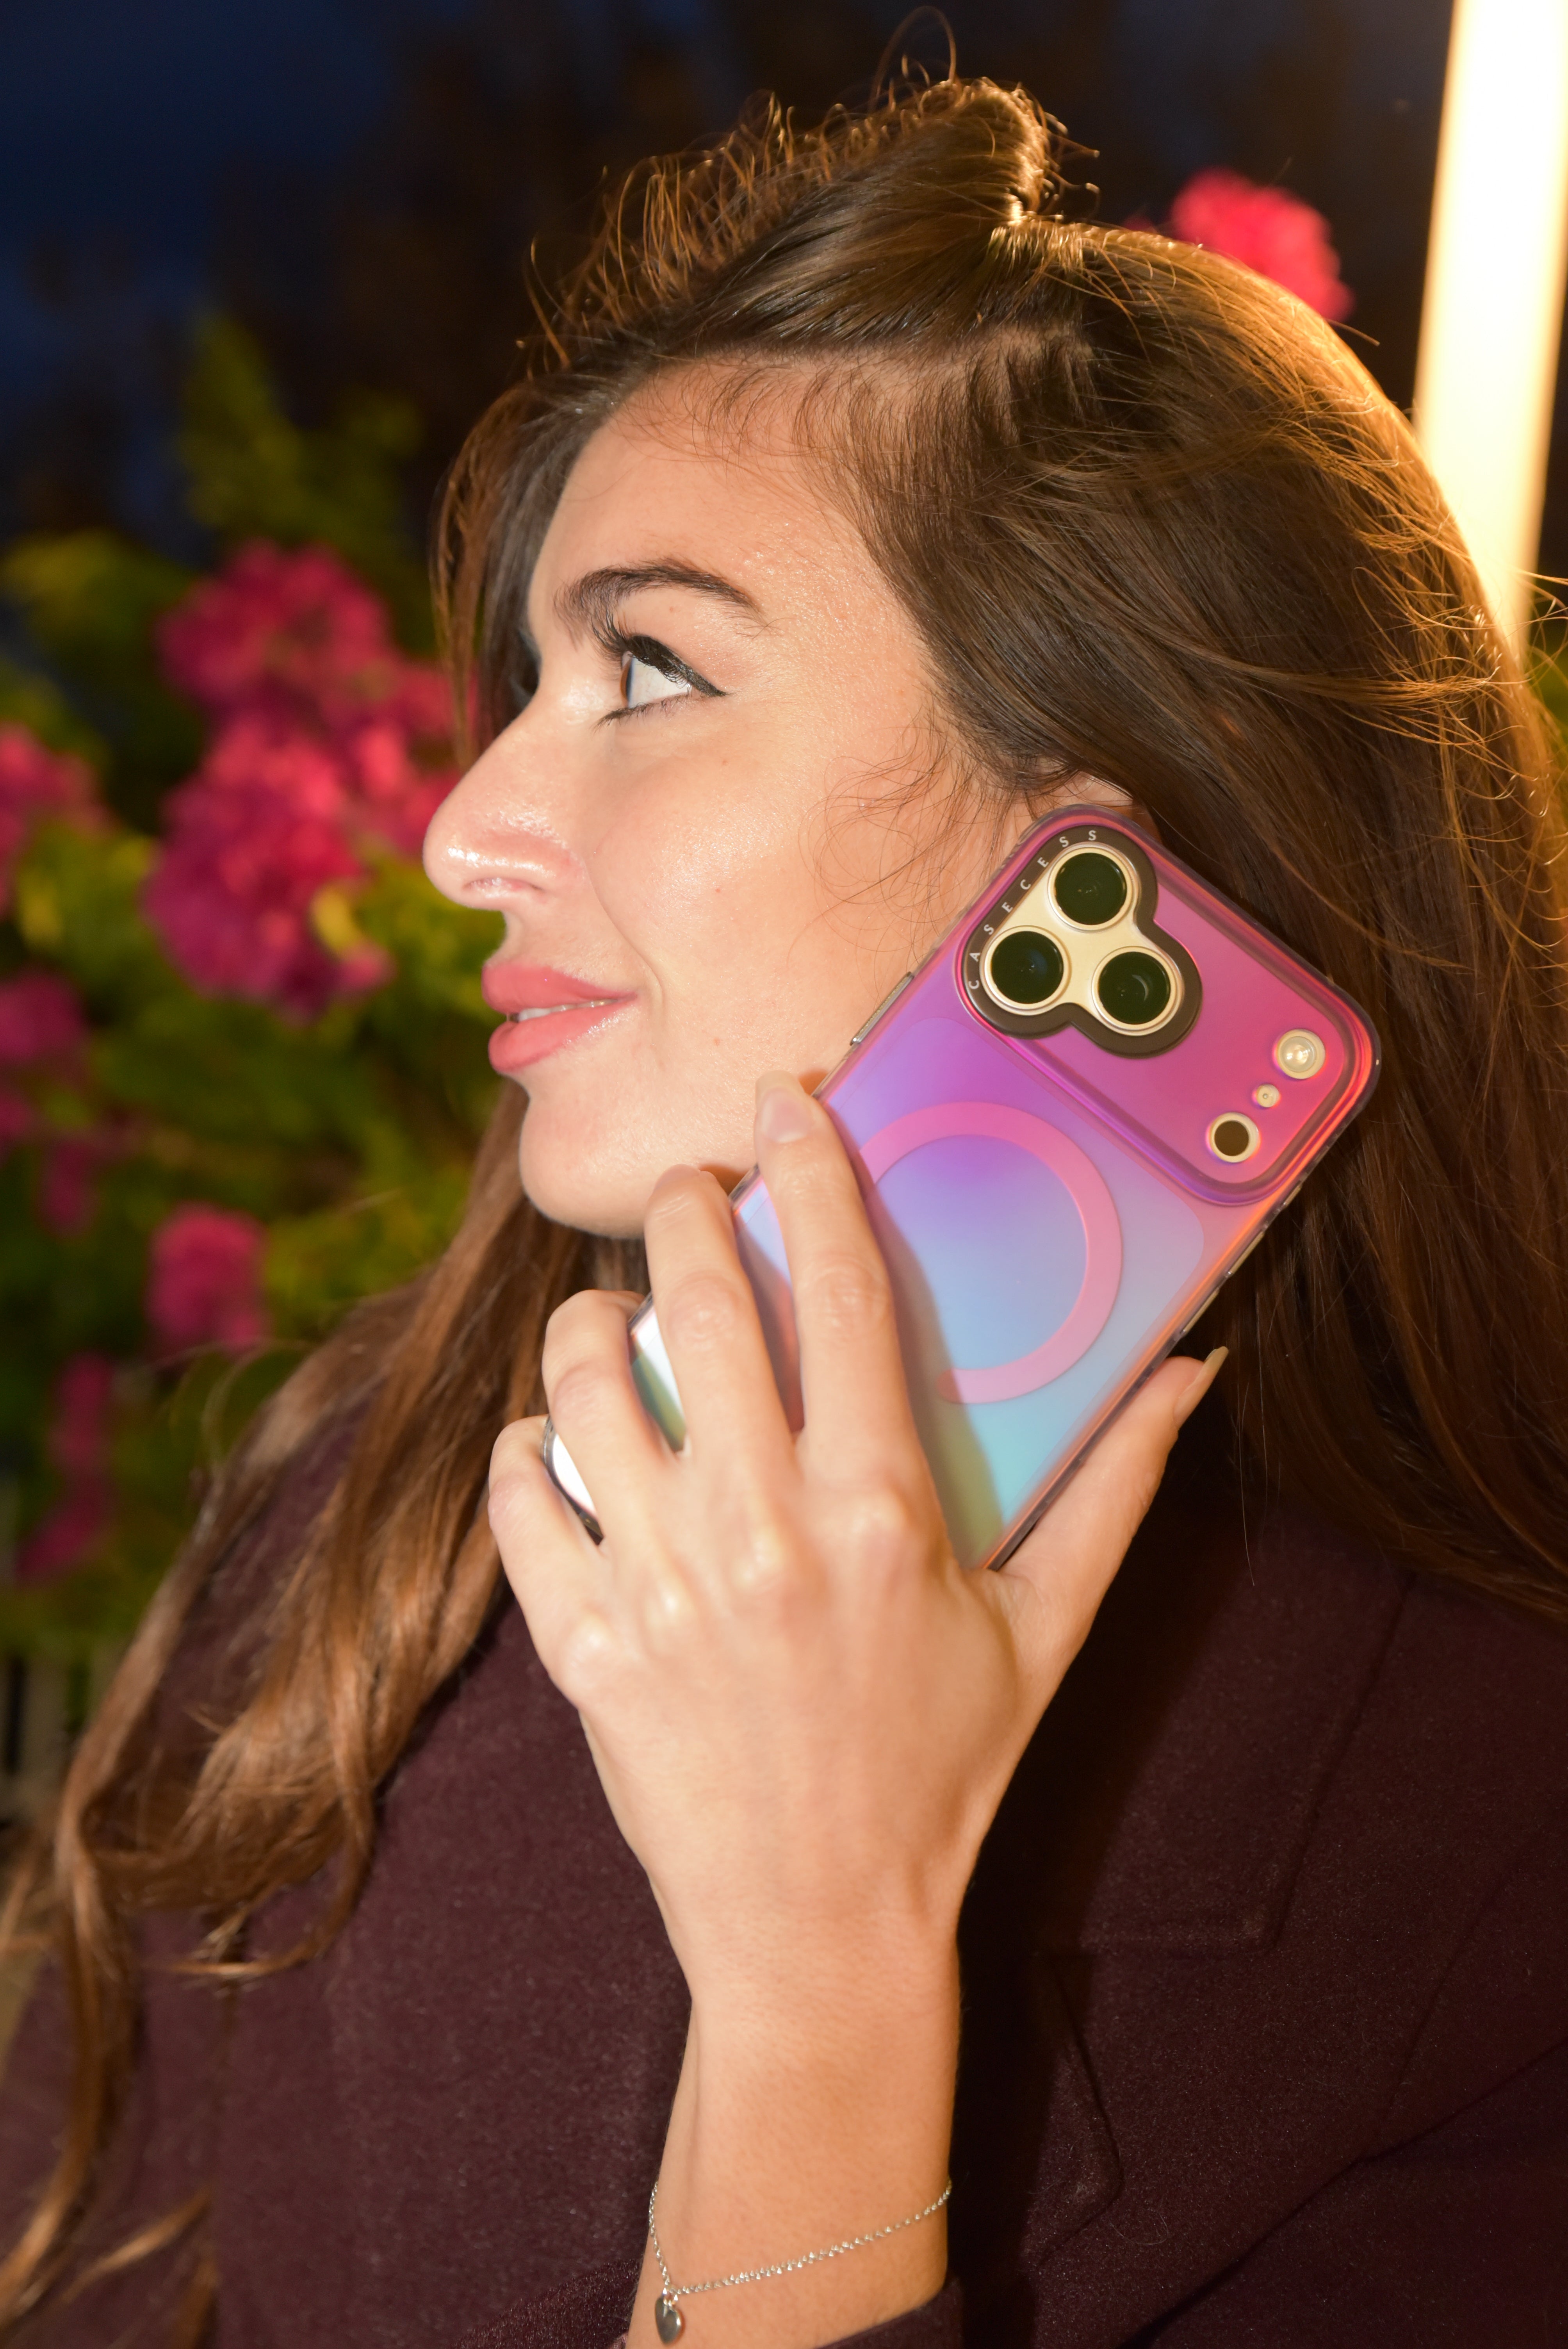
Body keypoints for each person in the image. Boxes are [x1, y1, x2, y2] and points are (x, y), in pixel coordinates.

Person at [2, 71, 1567, 2349]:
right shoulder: (378, 1517)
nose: (461, 830)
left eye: (648, 669)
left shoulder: (1484, 1846)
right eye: (534, 678)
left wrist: (821, 1968)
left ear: (1094, 859)